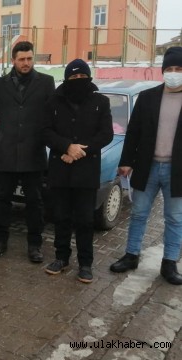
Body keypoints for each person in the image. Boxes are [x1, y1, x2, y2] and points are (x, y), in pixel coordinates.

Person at [109, 46, 182, 285]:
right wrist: (126, 161)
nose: (173, 73)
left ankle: (169, 263)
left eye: (178, 69)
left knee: (174, 218)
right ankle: (131, 255)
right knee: (139, 213)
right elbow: (134, 132)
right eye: (169, 68)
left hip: (177, 171)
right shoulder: (149, 97)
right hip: (147, 166)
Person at [0, 41, 55, 262]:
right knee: (2, 201)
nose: (26, 63)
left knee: (34, 203)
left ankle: (34, 245)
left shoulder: (46, 83)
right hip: (5, 155)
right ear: (13, 60)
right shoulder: (0, 85)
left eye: (29, 59)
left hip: (33, 155)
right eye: (22, 59)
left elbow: (52, 116)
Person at [42, 59, 113, 283]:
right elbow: (45, 131)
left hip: (86, 171)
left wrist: (80, 150)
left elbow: (106, 134)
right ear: (66, 79)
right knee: (61, 217)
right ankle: (61, 258)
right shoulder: (53, 101)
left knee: (84, 220)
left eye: (82, 77)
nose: (78, 81)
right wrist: (66, 147)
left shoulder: (100, 101)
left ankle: (85, 264)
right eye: (73, 78)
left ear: (89, 78)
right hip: (60, 170)